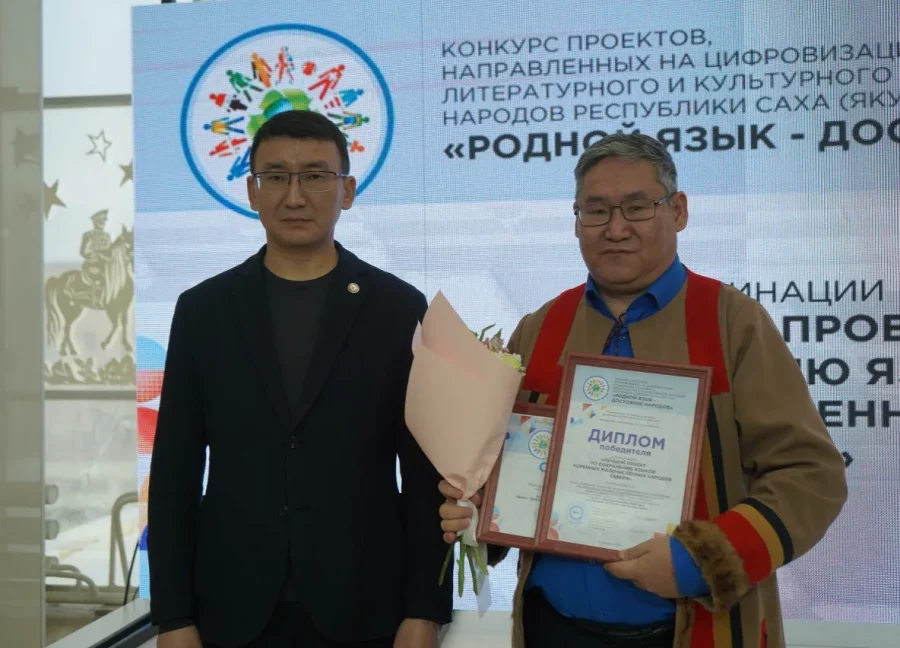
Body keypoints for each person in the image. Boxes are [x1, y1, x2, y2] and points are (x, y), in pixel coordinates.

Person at [438, 133, 848, 648]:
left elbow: (811, 475)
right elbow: (506, 473)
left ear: (677, 211)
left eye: (636, 207)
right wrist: (479, 512)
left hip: (694, 630)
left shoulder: (732, 323)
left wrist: (700, 560)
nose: (615, 229)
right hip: (550, 628)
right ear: (576, 221)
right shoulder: (540, 328)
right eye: (596, 211)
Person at [147, 110, 451, 648]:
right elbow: (175, 473)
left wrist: (425, 609)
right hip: (231, 609)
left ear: (347, 191)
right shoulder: (203, 311)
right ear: (252, 191)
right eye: (276, 177)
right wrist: (172, 618)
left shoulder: (397, 308)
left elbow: (424, 476)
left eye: (314, 176)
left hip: (365, 606)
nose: (294, 196)